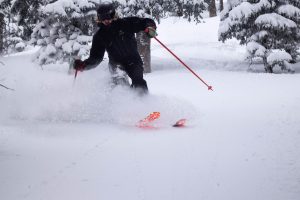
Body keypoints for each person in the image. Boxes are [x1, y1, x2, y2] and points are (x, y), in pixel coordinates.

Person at [73, 3, 157, 94]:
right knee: (120, 86)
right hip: (116, 63)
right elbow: (96, 57)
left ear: (113, 15)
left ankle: (144, 103)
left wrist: (150, 27)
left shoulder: (126, 23)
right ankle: (123, 104)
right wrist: (84, 65)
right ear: (99, 18)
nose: (106, 21)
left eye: (108, 17)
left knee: (138, 82)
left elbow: (145, 22)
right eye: (102, 18)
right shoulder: (100, 35)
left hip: (133, 60)